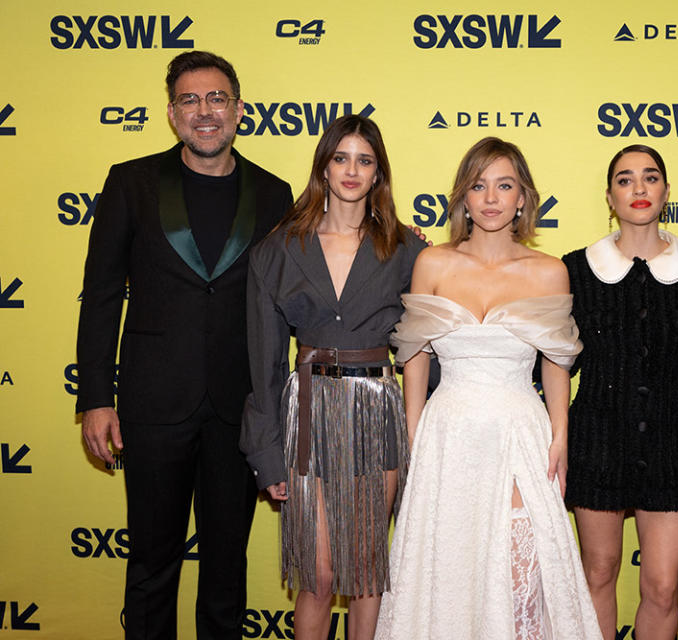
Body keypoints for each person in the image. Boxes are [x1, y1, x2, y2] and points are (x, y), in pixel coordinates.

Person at [76, 51, 293, 639]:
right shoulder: (132, 182)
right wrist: (95, 398)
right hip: (152, 405)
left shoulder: (274, 193)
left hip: (238, 408)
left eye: (217, 98)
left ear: (239, 111)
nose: (205, 112)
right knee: (151, 564)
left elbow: (298, 292)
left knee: (227, 569)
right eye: (190, 100)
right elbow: (100, 295)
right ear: (172, 114)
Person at [375, 137, 602, 639]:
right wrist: (414, 435)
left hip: (520, 429)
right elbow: (414, 355)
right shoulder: (433, 263)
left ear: (523, 197)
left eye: (505, 185)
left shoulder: (549, 272)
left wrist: (559, 436)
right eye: (480, 185)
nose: (492, 197)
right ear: (463, 198)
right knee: (449, 569)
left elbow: (556, 364)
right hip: (447, 431)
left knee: (524, 573)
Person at [240, 114, 426, 640]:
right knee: (319, 575)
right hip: (308, 413)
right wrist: (266, 453)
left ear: (378, 174)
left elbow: (427, 351)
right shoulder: (278, 250)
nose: (351, 170)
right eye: (340, 157)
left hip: (377, 411)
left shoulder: (409, 250)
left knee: (366, 572)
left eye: (364, 160)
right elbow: (264, 364)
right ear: (323, 167)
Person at [562, 145, 678, 640]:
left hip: (677, 444)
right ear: (610, 196)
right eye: (625, 180)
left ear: (667, 192)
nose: (639, 188)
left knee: (663, 587)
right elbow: (557, 366)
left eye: (650, 178)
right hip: (597, 443)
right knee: (598, 574)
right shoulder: (576, 270)